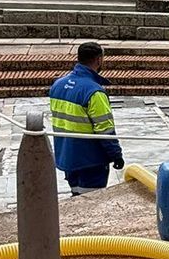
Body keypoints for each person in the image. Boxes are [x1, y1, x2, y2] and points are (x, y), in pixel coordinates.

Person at [49, 41, 124, 196]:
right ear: (99, 60)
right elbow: (105, 130)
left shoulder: (58, 85)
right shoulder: (94, 92)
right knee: (91, 205)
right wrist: (116, 155)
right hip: (90, 161)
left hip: (67, 158)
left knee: (76, 199)